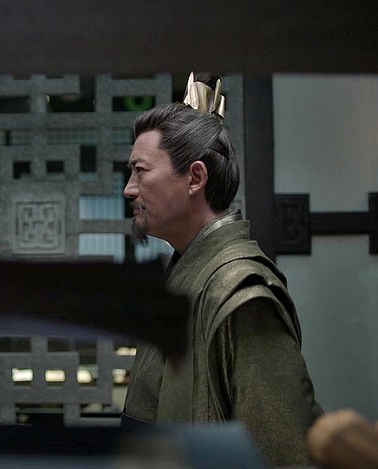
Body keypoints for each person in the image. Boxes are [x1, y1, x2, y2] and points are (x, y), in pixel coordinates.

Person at [121, 74, 322, 466]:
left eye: (140, 171)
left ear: (195, 178)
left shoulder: (239, 292)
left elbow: (285, 452)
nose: (130, 188)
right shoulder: (186, 273)